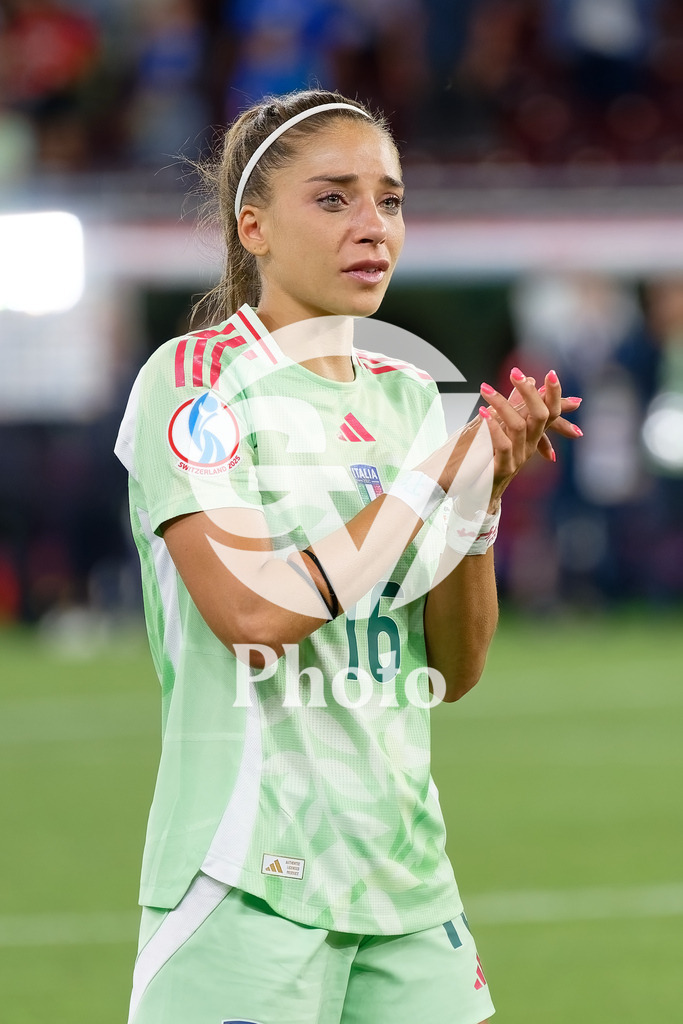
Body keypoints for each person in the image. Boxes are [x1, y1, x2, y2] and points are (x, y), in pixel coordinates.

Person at [115, 87, 581, 1024]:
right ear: (253, 224)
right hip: (245, 876)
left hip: (404, 878)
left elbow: (453, 669)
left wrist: (479, 502)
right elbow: (251, 616)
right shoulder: (195, 380)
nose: (372, 226)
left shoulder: (417, 397)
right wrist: (424, 487)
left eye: (390, 199)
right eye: (332, 198)